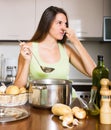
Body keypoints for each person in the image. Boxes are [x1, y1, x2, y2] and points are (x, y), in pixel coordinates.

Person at [14, 6, 96, 87]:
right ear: (47, 23)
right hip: (38, 100)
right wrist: (27, 61)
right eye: (59, 23)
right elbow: (18, 87)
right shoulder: (29, 49)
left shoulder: (66, 49)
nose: (64, 28)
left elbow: (93, 73)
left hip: (65, 99)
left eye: (65, 24)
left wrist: (76, 42)